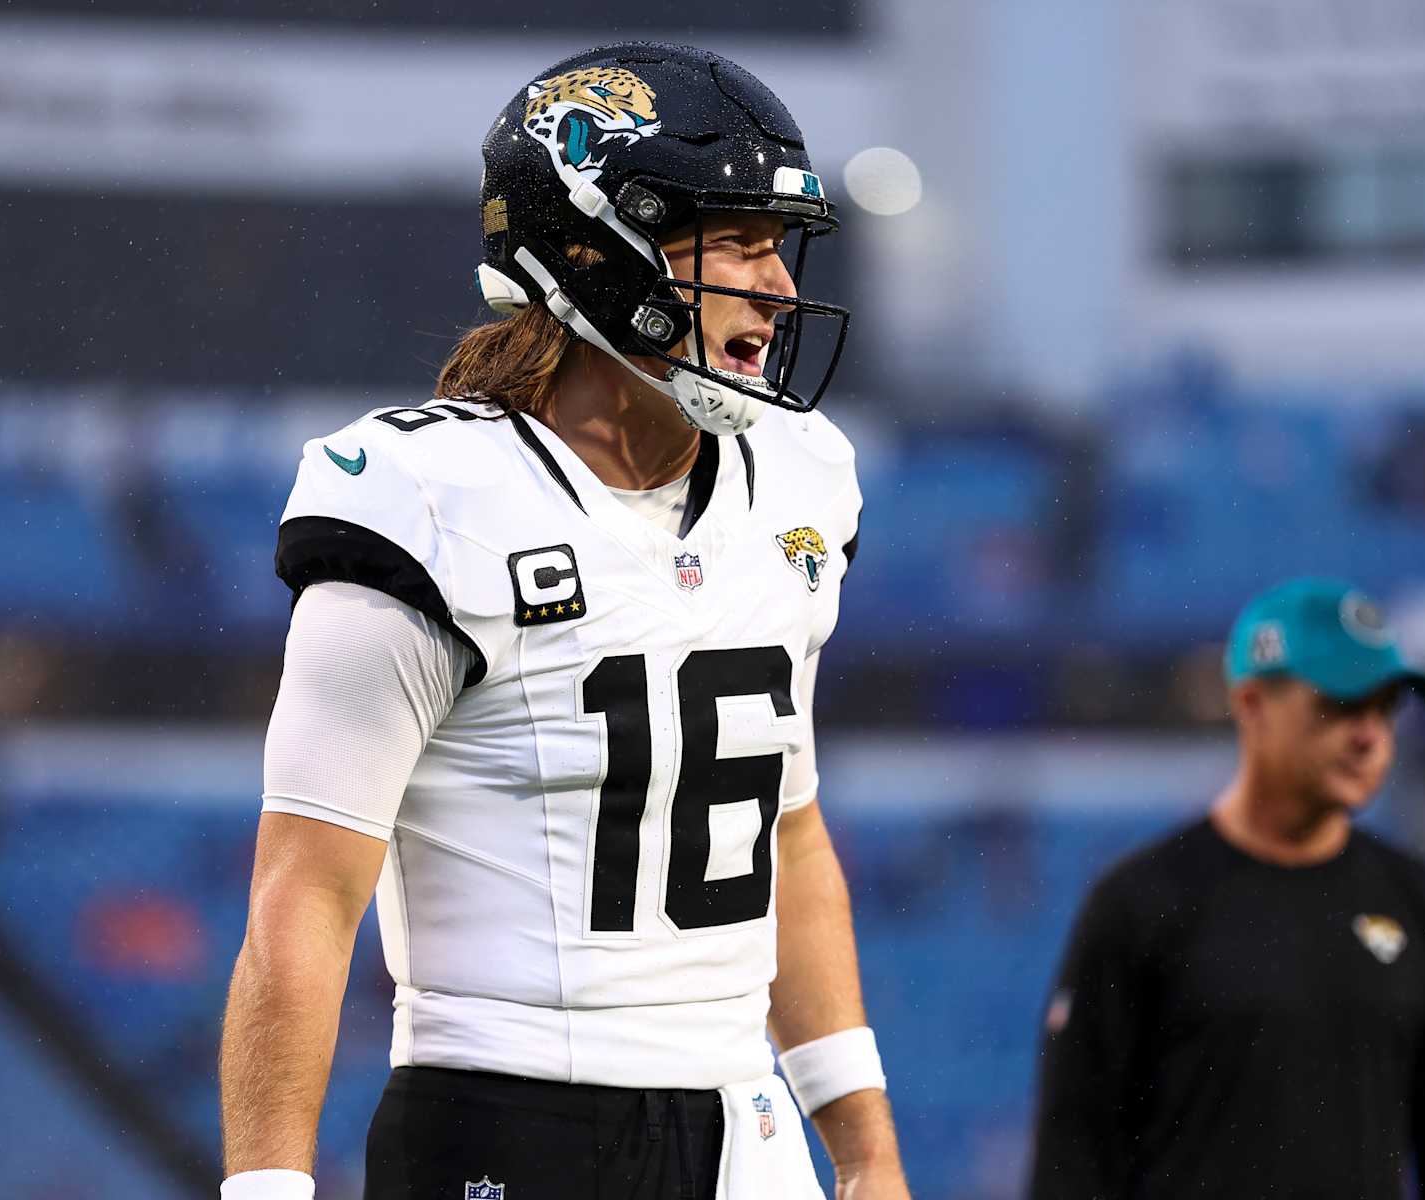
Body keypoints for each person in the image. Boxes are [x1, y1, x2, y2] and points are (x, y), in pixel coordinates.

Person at [218, 42, 908, 1200]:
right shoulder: (426, 500)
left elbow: (789, 834)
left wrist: (867, 1149)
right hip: (508, 1118)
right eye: (739, 242)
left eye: (779, 245)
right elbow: (307, 893)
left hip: (747, 1127)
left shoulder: (800, 478)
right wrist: (265, 1191)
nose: (779, 286)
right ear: (594, 246)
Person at [1030, 578, 1425, 1199]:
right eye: (1340, 704)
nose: (1370, 735)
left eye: (1385, 708)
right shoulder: (1142, 905)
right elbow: (1072, 1164)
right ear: (1253, 704)